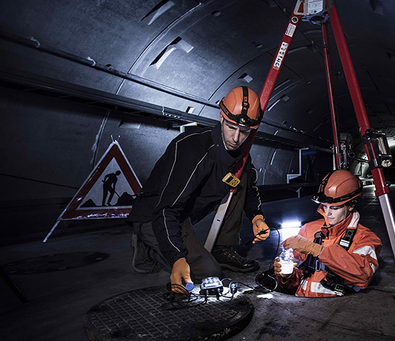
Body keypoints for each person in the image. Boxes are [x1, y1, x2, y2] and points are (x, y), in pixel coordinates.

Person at [126, 86, 270, 292]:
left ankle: (221, 248)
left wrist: (257, 216)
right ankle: (147, 246)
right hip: (155, 213)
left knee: (242, 176)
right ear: (221, 118)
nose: (236, 138)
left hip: (185, 215)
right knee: (205, 274)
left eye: (244, 131)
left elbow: (250, 187)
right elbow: (166, 209)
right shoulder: (192, 148)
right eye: (231, 127)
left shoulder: (241, 155)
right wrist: (177, 257)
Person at [273, 169, 382, 297]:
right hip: (300, 306)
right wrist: (287, 276)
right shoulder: (309, 229)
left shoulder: (365, 238)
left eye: (335, 208)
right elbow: (299, 277)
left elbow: (363, 276)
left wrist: (318, 250)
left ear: (351, 205)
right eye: (324, 206)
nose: (328, 213)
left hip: (336, 311)